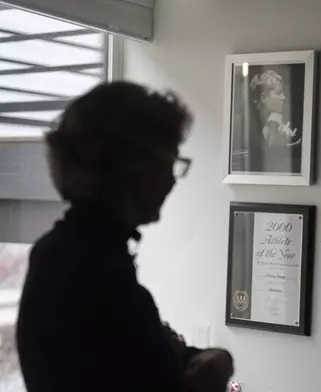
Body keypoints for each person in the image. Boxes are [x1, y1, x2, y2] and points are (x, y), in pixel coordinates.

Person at [16, 82, 233, 392]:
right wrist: (215, 369)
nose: (172, 179)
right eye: (166, 163)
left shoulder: (62, 253)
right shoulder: (96, 273)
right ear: (126, 167)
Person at [245, 70, 301, 173]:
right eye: (278, 93)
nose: (283, 97)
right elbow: (272, 152)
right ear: (263, 97)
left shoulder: (276, 121)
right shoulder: (261, 125)